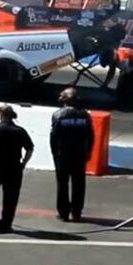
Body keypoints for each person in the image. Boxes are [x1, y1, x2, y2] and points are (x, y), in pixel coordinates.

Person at [0, 104, 34, 233]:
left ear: (1, 115)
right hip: (13, 166)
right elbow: (30, 148)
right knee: (11, 195)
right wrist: (24, 163)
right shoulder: (19, 131)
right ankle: (6, 223)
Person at [50, 88, 95, 223]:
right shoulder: (84, 115)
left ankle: (63, 212)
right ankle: (76, 212)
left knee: (62, 183)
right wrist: (89, 151)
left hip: (62, 154)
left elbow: (53, 136)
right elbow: (90, 136)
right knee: (79, 183)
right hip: (79, 153)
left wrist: (54, 152)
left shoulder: (58, 114)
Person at [102, 42, 133, 106]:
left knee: (123, 92)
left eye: (109, 63)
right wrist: (105, 84)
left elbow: (124, 75)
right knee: (123, 90)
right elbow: (111, 71)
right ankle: (128, 93)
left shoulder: (123, 57)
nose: (110, 64)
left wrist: (118, 91)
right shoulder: (116, 53)